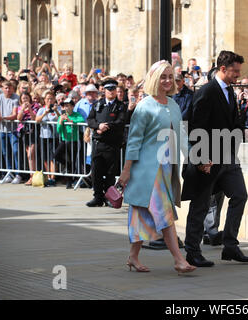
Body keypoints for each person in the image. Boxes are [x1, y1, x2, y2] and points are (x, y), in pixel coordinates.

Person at [117, 60, 195, 275]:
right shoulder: (144, 106)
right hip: (147, 170)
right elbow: (134, 141)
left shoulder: (173, 105)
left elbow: (182, 138)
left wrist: (196, 159)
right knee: (164, 211)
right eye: (163, 76)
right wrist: (126, 170)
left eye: (170, 76)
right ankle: (179, 260)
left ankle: (133, 256)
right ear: (154, 79)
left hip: (166, 168)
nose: (168, 81)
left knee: (143, 213)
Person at [182, 50, 248, 267]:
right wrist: (202, 158)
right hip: (209, 160)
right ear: (223, 69)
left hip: (228, 158)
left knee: (240, 195)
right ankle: (192, 251)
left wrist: (241, 132)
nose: (238, 75)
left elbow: (233, 120)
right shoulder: (207, 92)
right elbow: (195, 127)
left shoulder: (229, 91)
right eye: (235, 71)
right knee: (200, 205)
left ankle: (230, 245)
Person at [86, 79, 126, 207]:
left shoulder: (120, 106)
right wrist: (98, 126)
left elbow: (120, 122)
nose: (111, 92)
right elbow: (90, 119)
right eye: (109, 89)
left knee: (110, 173)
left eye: (114, 89)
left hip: (112, 143)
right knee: (96, 171)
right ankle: (97, 197)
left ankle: (109, 197)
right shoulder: (98, 104)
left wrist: (106, 126)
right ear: (104, 90)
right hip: (98, 143)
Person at [0, 81, 20, 184]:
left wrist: (2, 118)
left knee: (15, 151)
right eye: (6, 88)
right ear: (3, 88)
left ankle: (18, 174)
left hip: (13, 130)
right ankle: (9, 173)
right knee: (5, 153)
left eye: (9, 88)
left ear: (12, 88)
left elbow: (14, 115)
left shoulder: (16, 97)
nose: (8, 90)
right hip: (2, 130)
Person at [55, 98, 84, 189]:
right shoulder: (61, 116)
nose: (66, 107)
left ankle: (69, 181)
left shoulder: (76, 115)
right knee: (56, 155)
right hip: (65, 140)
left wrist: (71, 121)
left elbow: (82, 121)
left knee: (72, 160)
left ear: (72, 106)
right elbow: (58, 131)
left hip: (74, 141)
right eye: (65, 106)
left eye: (68, 105)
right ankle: (66, 165)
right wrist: (60, 122)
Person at [35, 90, 60, 186]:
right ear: (44, 100)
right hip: (43, 136)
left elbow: (60, 118)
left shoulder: (57, 109)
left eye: (51, 99)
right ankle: (48, 176)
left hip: (54, 136)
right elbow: (37, 120)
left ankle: (53, 177)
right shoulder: (41, 109)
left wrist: (56, 110)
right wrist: (45, 113)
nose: (50, 100)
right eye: (48, 99)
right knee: (45, 157)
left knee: (53, 158)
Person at [16, 92, 40, 185]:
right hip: (24, 132)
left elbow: (34, 118)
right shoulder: (19, 107)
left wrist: (29, 109)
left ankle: (33, 176)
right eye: (23, 98)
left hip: (33, 131)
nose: (25, 100)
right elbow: (19, 118)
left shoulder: (35, 106)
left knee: (31, 154)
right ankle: (31, 176)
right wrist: (22, 109)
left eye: (26, 98)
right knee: (28, 155)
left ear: (30, 98)